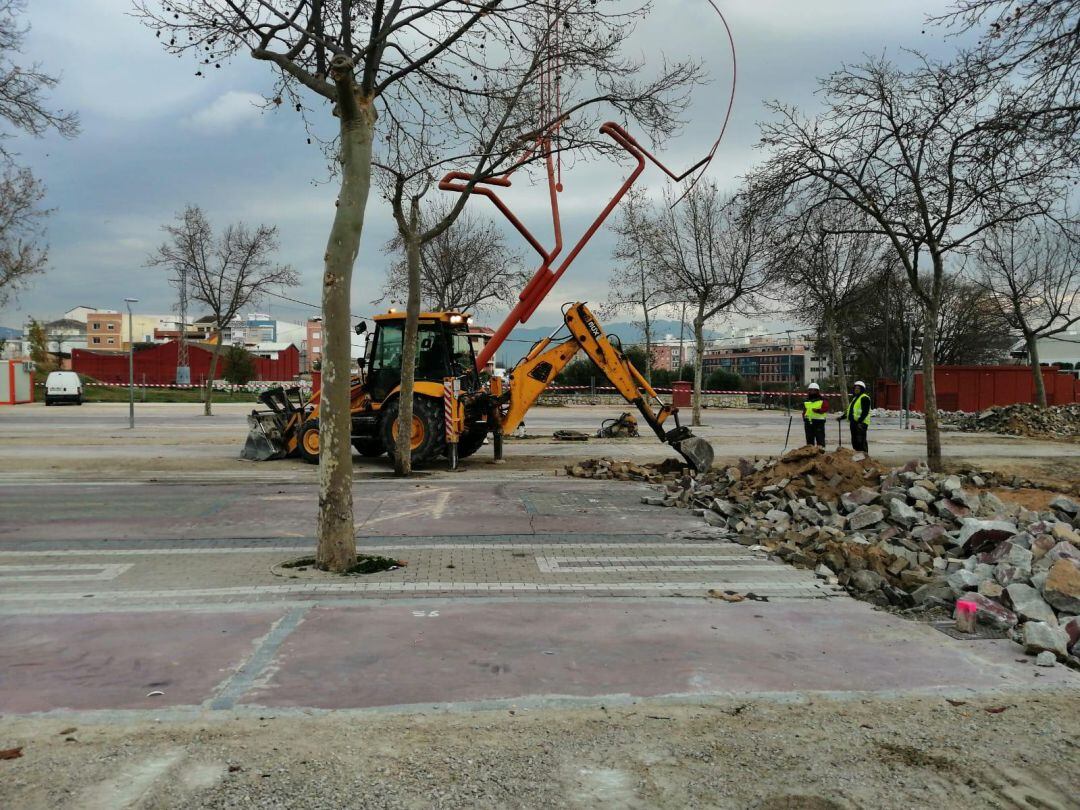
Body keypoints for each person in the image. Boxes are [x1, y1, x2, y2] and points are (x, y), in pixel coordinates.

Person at [841, 380, 872, 453]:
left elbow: (865, 412)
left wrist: (859, 422)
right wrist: (842, 417)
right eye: (855, 388)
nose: (856, 390)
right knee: (855, 442)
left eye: (858, 388)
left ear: (862, 389)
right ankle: (858, 457)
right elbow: (850, 411)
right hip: (854, 423)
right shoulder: (855, 398)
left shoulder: (864, 398)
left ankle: (864, 458)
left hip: (861, 424)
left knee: (861, 442)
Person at [801, 382, 829, 447]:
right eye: (811, 390)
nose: (812, 391)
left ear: (817, 391)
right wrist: (804, 417)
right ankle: (810, 453)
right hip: (808, 422)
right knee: (809, 440)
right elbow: (805, 410)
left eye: (814, 390)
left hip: (819, 422)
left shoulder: (823, 399)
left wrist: (818, 411)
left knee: (820, 439)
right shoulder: (807, 400)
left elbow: (825, 408)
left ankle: (820, 453)